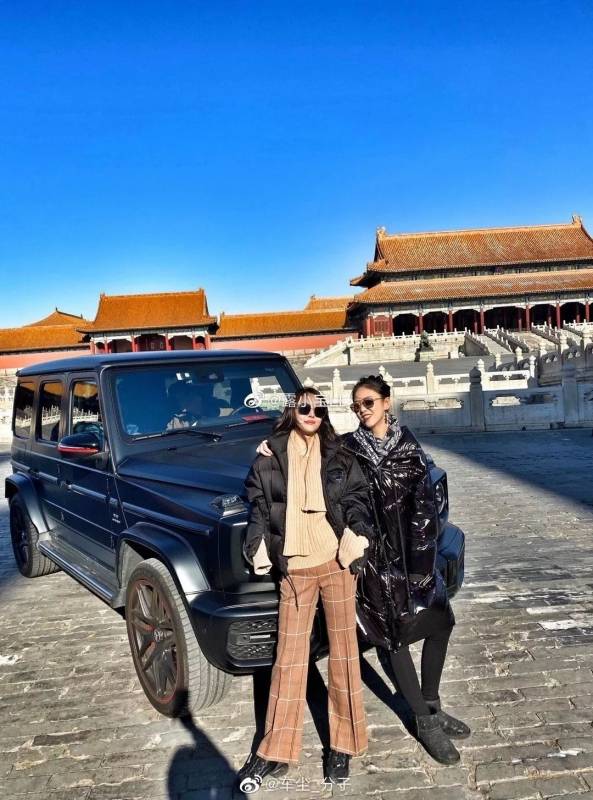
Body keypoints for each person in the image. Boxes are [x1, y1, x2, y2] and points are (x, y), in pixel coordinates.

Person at [256, 375, 470, 766]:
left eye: (368, 402)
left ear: (387, 402)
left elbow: (424, 505)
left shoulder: (409, 446)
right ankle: (424, 721)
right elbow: (307, 451)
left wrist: (423, 562)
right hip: (375, 557)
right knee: (393, 637)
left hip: (414, 554)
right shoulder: (348, 448)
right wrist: (272, 445)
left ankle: (431, 703)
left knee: (441, 623)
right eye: (356, 405)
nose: (362, 410)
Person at [238, 387, 374, 792]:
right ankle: (274, 749)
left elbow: (357, 498)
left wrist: (358, 533)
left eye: (319, 408)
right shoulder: (268, 456)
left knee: (344, 656)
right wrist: (256, 544)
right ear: (292, 411)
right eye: (304, 407)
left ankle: (343, 745)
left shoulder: (339, 454)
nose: (312, 413)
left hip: (336, 563)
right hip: (295, 568)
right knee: (288, 660)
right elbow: (258, 506)